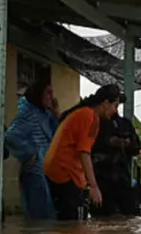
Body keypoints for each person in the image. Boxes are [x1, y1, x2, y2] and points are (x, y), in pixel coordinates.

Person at [43, 85, 123, 221]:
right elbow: (84, 152)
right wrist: (93, 186)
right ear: (105, 104)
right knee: (73, 223)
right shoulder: (89, 116)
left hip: (55, 169)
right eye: (115, 106)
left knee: (67, 222)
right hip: (64, 171)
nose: (115, 111)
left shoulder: (86, 115)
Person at [6, 79, 60, 220]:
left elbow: (56, 135)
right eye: (48, 93)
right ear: (38, 94)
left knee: (46, 215)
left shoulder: (45, 114)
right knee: (39, 215)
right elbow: (11, 135)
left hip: (46, 168)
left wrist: (55, 114)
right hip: (35, 170)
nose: (51, 97)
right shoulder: (28, 113)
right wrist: (30, 153)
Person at [91, 112, 141, 217]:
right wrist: (108, 142)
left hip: (122, 177)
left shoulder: (125, 124)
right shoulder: (96, 124)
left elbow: (137, 147)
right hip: (102, 178)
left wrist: (127, 143)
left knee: (130, 213)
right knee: (103, 214)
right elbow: (88, 147)